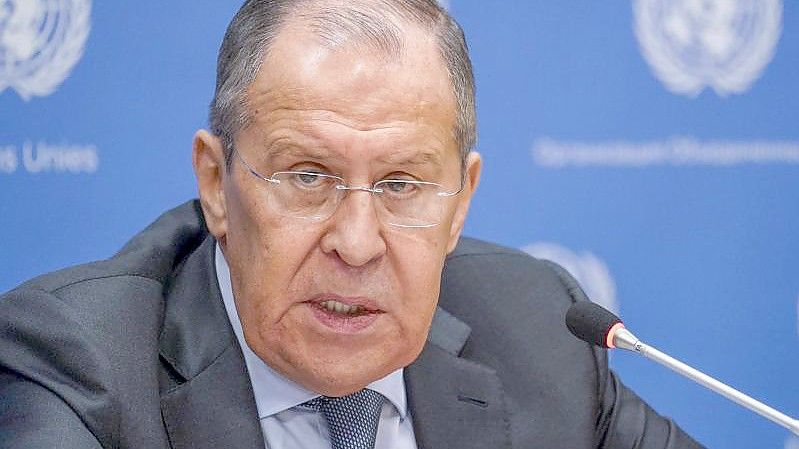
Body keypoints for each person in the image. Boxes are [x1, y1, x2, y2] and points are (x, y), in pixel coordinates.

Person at [0, 1, 704, 448]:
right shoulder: (80, 361)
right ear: (216, 182)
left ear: (460, 202)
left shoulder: (540, 328)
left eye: (402, 184)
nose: (358, 241)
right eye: (308, 176)